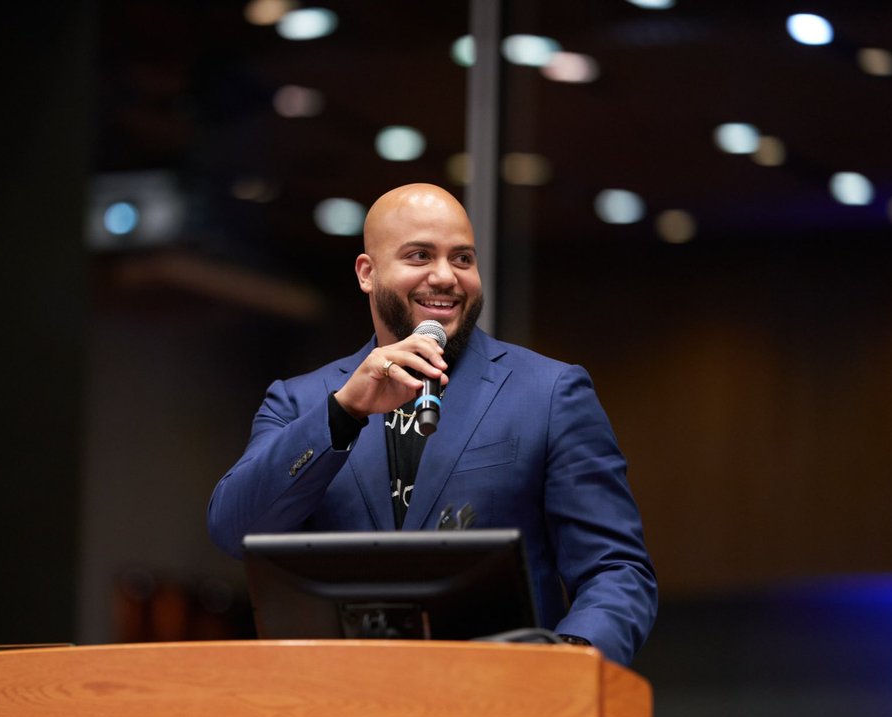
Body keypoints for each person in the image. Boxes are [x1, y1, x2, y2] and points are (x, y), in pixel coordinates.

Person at [207, 183, 657, 666]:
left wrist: (568, 663)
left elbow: (616, 570)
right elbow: (236, 531)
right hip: (343, 699)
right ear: (367, 273)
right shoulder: (300, 402)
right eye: (420, 256)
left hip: (500, 696)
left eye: (462, 259)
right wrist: (343, 412)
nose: (445, 277)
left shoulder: (549, 393)